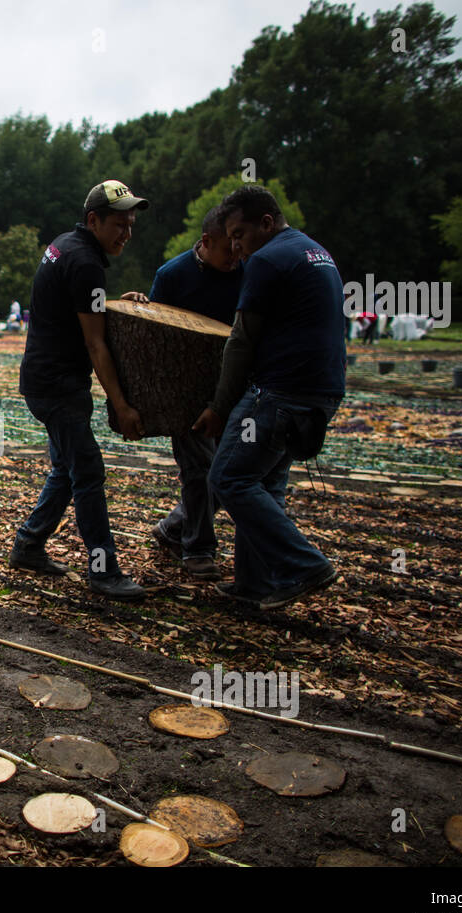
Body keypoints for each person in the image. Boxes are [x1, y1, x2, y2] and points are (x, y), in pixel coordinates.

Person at [192, 184, 345, 611]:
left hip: (280, 392)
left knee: (228, 478)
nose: (236, 246)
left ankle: (303, 565)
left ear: (266, 222)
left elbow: (241, 342)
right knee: (265, 483)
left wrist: (219, 407)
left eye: (240, 234)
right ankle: (254, 584)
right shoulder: (316, 253)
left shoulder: (267, 260)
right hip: (322, 391)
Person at [11, 179, 151, 602]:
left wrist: (112, 305)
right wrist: (121, 403)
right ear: (94, 220)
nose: (127, 233)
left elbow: (79, 307)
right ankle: (103, 571)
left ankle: (29, 545)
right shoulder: (85, 261)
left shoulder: (65, 244)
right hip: (58, 386)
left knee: (67, 469)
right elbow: (95, 343)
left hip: (42, 379)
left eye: (131, 225)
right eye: (119, 225)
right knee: (87, 469)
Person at [147, 205, 244, 581]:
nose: (235, 256)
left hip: (232, 389)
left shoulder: (247, 272)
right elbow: (153, 332)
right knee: (199, 471)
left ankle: (174, 528)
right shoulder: (172, 275)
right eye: (227, 249)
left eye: (239, 247)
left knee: (234, 470)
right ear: (205, 242)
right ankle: (198, 548)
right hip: (186, 393)